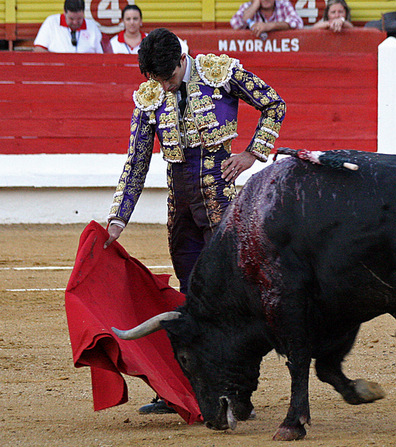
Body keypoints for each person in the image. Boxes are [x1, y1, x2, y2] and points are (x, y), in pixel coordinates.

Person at [103, 28, 285, 414]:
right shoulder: (151, 93)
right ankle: (184, 390)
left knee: (228, 301)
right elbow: (136, 162)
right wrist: (118, 218)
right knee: (187, 298)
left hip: (221, 208)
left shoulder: (220, 73)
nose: (164, 88)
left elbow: (274, 105)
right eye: (156, 80)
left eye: (168, 78)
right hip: (181, 212)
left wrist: (252, 154)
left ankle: (237, 393)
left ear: (182, 62)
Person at [33, 0, 103, 53]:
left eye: (79, 19)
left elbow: (100, 55)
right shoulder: (51, 22)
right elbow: (38, 49)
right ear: (64, 12)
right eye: (71, 19)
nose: (75, 22)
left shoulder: (92, 27)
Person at [230, 0, 303, 38]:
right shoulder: (248, 6)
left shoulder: (283, 4)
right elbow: (235, 24)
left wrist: (270, 26)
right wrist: (255, 6)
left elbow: (298, 23)